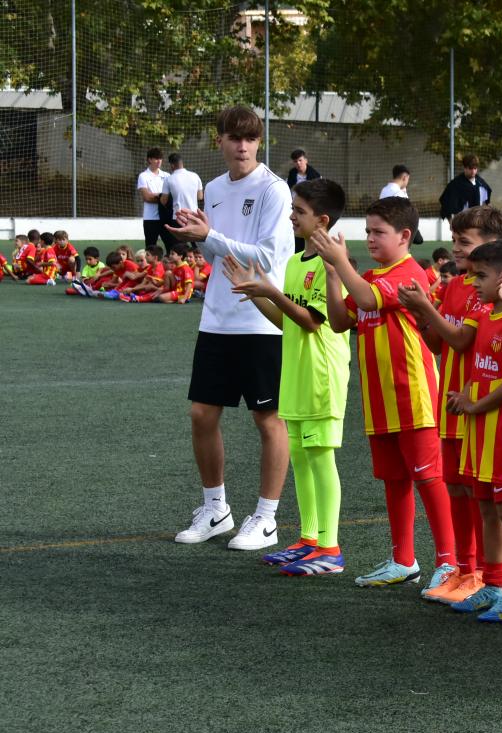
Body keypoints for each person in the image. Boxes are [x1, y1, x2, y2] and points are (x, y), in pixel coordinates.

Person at [168, 105, 295, 551]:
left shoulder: (274, 189)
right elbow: (215, 255)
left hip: (262, 320)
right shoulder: (217, 188)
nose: (243, 146)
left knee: (268, 419)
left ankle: (266, 518)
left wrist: (210, 236)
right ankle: (216, 509)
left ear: (259, 142)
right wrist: (200, 235)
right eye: (234, 137)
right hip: (217, 318)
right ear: (219, 140)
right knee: (201, 415)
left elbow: (269, 257)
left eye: (250, 138)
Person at [313, 196, 457, 589]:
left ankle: (449, 562)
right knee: (395, 480)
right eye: (367, 231)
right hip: (380, 400)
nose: (370, 239)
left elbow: (365, 299)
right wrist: (333, 274)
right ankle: (403, 560)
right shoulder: (371, 276)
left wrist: (341, 263)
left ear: (404, 236)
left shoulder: (409, 273)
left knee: (429, 478)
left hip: (413, 395)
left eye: (378, 232)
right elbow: (340, 320)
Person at [223, 179, 352, 576]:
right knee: (301, 457)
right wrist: (256, 294)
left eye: (299, 211)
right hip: (295, 374)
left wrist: (271, 292)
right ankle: (310, 540)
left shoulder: (333, 263)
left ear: (322, 220)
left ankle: (330, 548)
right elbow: (286, 321)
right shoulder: (296, 263)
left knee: (320, 458)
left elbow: (312, 321)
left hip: (320, 376)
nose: (291, 216)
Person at [404, 205, 502, 605]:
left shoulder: (491, 290)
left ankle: (484, 573)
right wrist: (421, 315)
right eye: (454, 240)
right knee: (456, 488)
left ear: (493, 245)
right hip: (450, 401)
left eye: (464, 241)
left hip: (477, 405)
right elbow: (438, 344)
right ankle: (464, 570)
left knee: (476, 492)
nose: (455, 248)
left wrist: (425, 307)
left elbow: (463, 340)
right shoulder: (454, 286)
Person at [441, 240, 502, 622]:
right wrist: (465, 395)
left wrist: (474, 406)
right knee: (486, 508)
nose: (473, 283)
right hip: (479, 431)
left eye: (480, 276)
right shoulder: (482, 315)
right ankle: (493, 585)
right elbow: (481, 369)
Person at [137, 148, 174, 250]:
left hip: (165, 217)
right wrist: (164, 198)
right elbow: (147, 197)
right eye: (156, 159)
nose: (159, 161)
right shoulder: (143, 176)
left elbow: (172, 196)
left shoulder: (167, 175)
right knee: (150, 248)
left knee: (171, 247)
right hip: (150, 218)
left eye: (160, 159)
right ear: (149, 160)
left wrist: (157, 196)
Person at [439, 154, 492, 220]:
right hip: (462, 220)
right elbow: (446, 205)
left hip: (478, 220)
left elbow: (486, 202)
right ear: (464, 168)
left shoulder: (481, 183)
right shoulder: (455, 184)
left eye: (475, 168)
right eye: (470, 168)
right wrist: (451, 222)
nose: (473, 171)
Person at [161, 153, 204, 228]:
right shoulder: (195, 176)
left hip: (178, 218)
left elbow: (163, 201)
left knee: (178, 236)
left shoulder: (168, 179)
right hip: (194, 216)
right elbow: (200, 196)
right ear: (181, 162)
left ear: (172, 165)